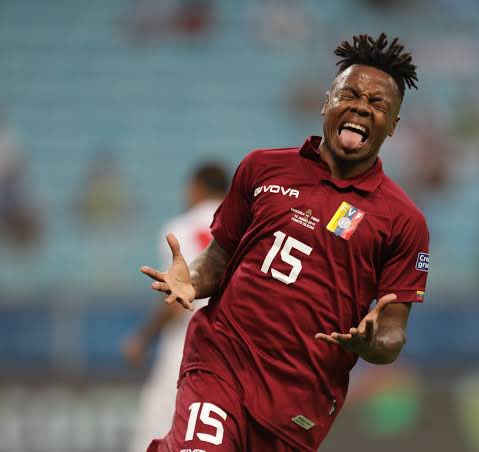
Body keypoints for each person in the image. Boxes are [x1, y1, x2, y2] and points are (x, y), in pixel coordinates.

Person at [141, 33, 429, 452]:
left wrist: (373, 344)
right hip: (221, 361)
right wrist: (193, 280)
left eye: (377, 103)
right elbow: (218, 258)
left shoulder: (403, 221)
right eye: (349, 94)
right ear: (327, 102)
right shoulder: (262, 168)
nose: (361, 107)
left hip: (298, 403)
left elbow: (392, 332)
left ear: (394, 124)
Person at [124, 162, 229, 452]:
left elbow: (175, 300)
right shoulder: (244, 227)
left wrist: (143, 337)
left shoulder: (179, 228)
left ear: (196, 188)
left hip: (186, 345)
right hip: (230, 347)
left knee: (157, 428)